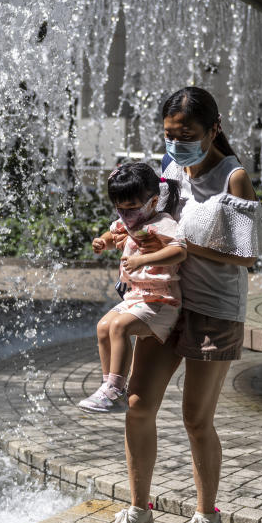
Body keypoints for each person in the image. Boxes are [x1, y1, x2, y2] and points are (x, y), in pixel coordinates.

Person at [93, 87, 262, 523]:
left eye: (188, 134)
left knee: (196, 419)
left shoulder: (233, 178)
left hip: (214, 309)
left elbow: (246, 255)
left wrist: (185, 249)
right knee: (137, 405)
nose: (177, 144)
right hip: (165, 300)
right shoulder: (169, 170)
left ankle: (207, 517)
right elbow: (150, 218)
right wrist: (126, 236)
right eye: (170, 135)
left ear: (213, 129)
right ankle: (139, 512)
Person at [78, 162, 187, 413]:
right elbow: (112, 232)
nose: (126, 215)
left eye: (132, 208)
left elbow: (179, 251)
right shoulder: (127, 221)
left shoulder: (161, 223)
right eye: (120, 208)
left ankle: (116, 389)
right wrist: (101, 242)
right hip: (137, 297)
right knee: (103, 327)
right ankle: (109, 387)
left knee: (119, 326)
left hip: (162, 300)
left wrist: (143, 259)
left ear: (152, 201)